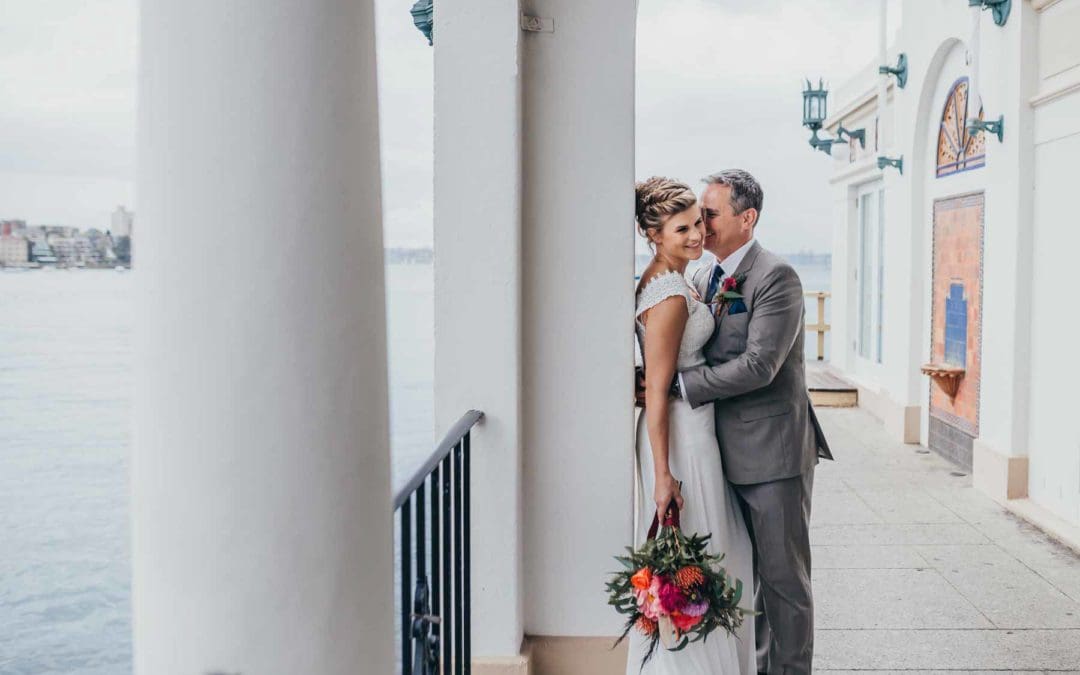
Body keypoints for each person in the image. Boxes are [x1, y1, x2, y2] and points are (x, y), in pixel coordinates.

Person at [679, 169, 833, 675]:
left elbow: (760, 365)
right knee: (747, 578)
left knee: (784, 583)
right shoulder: (704, 276)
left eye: (711, 213)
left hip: (774, 454)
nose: (701, 223)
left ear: (748, 218)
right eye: (699, 212)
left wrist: (681, 388)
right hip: (720, 451)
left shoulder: (776, 276)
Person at [628, 176, 755, 674]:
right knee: (695, 561)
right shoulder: (671, 296)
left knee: (712, 550)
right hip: (678, 437)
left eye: (698, 222)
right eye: (681, 229)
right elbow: (657, 392)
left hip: (693, 429)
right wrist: (663, 475)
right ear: (653, 235)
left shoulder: (676, 280)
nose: (696, 235)